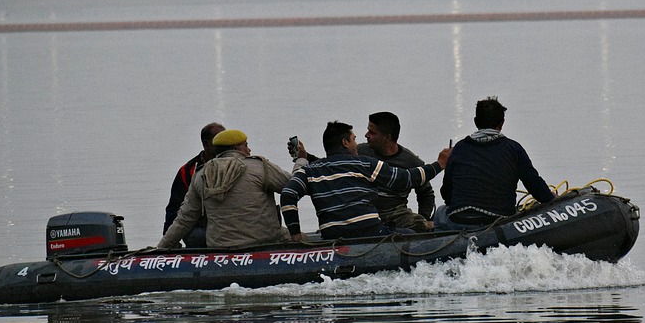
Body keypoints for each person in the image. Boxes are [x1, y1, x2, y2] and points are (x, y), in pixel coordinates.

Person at [281, 121, 450, 240]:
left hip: (331, 235)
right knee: (412, 235)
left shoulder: (310, 170)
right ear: (345, 142)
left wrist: (296, 234)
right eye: (354, 139)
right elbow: (405, 179)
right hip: (370, 232)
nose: (358, 143)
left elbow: (288, 194)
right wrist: (439, 164)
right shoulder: (364, 163)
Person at [159, 129, 293, 249]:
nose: (249, 150)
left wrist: (161, 248)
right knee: (299, 237)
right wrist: (301, 161)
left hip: (220, 247)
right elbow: (294, 186)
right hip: (266, 241)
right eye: (246, 145)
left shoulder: (200, 175)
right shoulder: (261, 167)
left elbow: (184, 219)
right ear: (237, 148)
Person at [437, 96, 555, 228]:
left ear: (476, 122)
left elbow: (447, 194)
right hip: (499, 221)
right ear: (502, 123)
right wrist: (553, 199)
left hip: (459, 220)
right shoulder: (514, 149)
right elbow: (535, 185)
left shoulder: (459, 148)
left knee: (440, 212)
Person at [357, 111, 436, 232]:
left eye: (372, 132)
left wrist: (424, 217)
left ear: (387, 137)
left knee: (419, 224)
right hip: (366, 213)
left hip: (396, 215)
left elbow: (426, 194)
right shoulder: (359, 152)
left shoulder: (411, 162)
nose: (366, 135)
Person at [163, 122, 224, 248]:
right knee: (196, 237)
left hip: (227, 226)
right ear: (206, 144)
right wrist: (169, 242)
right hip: (200, 227)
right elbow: (174, 208)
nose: (224, 144)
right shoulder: (187, 171)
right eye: (219, 141)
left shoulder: (234, 166)